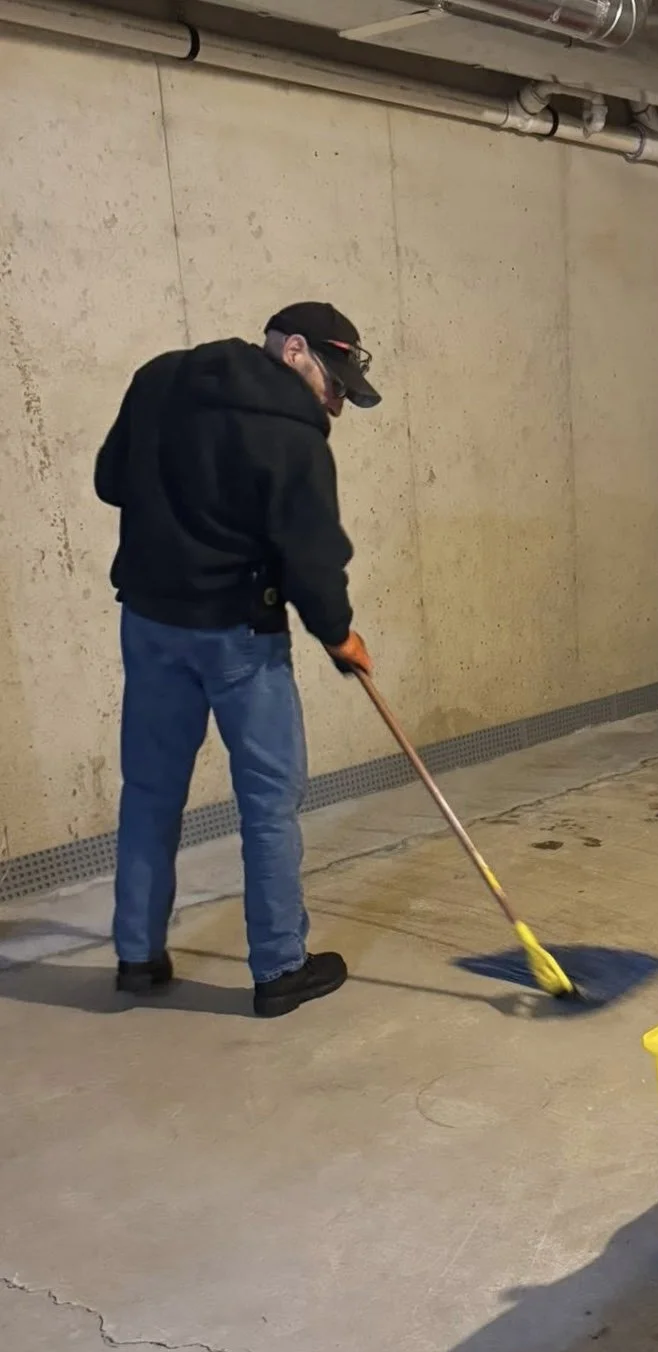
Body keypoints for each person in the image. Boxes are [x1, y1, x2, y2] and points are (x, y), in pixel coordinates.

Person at [94, 302, 379, 1018]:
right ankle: (281, 967)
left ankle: (136, 955)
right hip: (239, 637)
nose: (335, 401)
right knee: (268, 802)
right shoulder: (294, 435)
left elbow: (109, 479)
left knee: (150, 790)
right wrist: (339, 634)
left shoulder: (157, 380)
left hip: (151, 622)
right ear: (291, 352)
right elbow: (312, 556)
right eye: (333, 381)